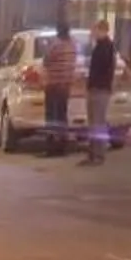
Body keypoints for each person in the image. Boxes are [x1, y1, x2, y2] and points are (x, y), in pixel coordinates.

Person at [40, 25, 77, 157]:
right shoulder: (73, 46)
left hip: (53, 85)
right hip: (65, 86)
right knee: (62, 116)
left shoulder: (55, 45)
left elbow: (46, 61)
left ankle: (51, 148)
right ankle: (62, 146)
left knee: (51, 117)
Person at [84, 20, 117, 162]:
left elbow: (103, 68)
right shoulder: (98, 46)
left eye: (95, 30)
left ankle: (99, 154)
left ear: (102, 30)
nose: (93, 33)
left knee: (98, 122)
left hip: (100, 89)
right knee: (93, 122)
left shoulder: (106, 47)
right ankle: (92, 153)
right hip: (94, 88)